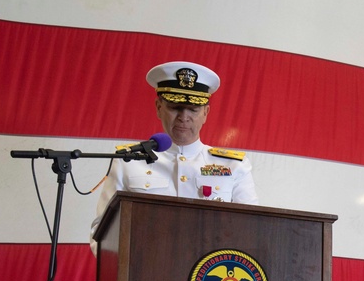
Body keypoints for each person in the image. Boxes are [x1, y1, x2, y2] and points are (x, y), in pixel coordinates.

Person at [90, 61, 259, 247]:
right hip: (145, 271)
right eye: (174, 107)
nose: (184, 117)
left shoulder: (234, 166)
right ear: (158, 107)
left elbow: (250, 230)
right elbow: (100, 233)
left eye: (193, 109)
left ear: (206, 113)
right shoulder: (129, 161)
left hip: (209, 272)